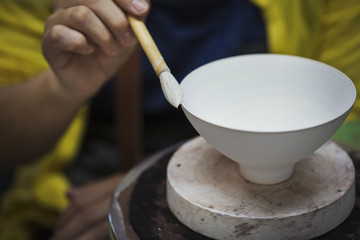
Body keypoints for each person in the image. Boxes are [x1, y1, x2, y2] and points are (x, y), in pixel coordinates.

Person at [0, 0, 359, 240]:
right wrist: (62, 88)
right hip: (89, 181)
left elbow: (350, 116)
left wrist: (152, 177)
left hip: (220, 177)